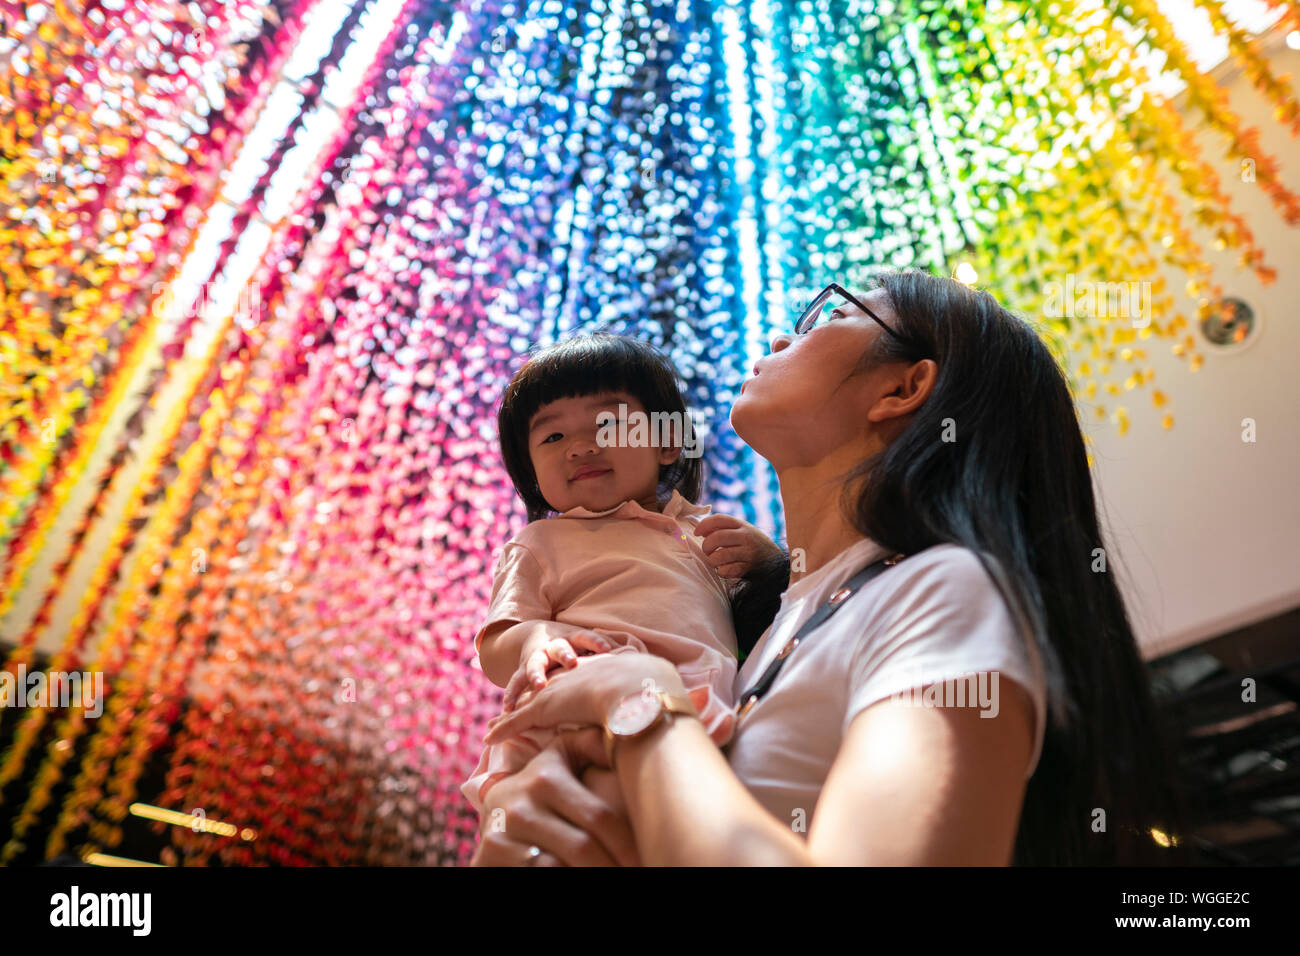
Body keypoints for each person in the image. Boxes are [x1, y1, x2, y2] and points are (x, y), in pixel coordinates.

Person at [471, 270, 1189, 866]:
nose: (782, 336)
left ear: (901, 391)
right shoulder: (767, 633)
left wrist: (640, 707)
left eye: (828, 315)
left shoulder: (941, 589)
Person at [461, 333, 782, 819]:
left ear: (669, 443)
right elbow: (495, 645)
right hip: (572, 720)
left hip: (697, 722)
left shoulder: (707, 533)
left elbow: (778, 622)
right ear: (530, 470)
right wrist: (534, 642)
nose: (581, 447)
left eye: (609, 424)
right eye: (553, 437)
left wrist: (770, 566)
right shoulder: (539, 544)